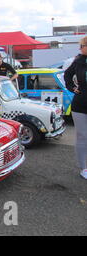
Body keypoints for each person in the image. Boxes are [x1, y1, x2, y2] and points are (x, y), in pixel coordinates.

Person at [64, 36, 87, 180]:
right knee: (82, 136)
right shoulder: (78, 61)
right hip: (80, 104)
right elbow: (67, 75)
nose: (80, 48)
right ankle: (84, 167)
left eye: (82, 45)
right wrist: (73, 88)